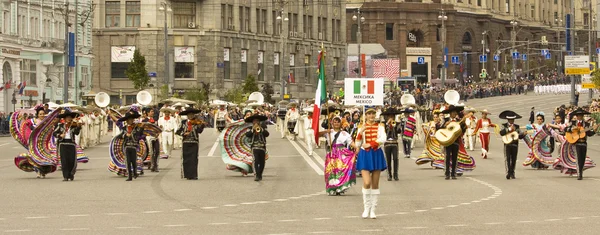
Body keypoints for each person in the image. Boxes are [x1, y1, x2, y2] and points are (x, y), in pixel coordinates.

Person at [355, 106, 386, 219]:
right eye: (369, 114)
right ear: (365, 115)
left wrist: (371, 144)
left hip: (376, 153)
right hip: (365, 155)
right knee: (367, 182)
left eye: (373, 113)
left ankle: (373, 209)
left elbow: (383, 138)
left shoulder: (380, 127)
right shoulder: (361, 127)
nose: (371, 116)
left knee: (375, 184)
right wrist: (360, 133)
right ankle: (366, 208)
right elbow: (357, 143)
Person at [323, 115, 357, 195]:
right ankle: (332, 188)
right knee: (331, 171)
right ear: (332, 123)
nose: (336, 124)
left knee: (341, 170)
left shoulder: (344, 133)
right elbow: (317, 133)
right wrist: (325, 132)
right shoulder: (328, 132)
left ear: (340, 123)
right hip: (331, 154)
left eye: (338, 122)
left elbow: (350, 142)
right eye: (335, 122)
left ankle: (341, 187)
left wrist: (357, 147)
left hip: (341, 153)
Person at [564, 108, 597, 180]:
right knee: (578, 158)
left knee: (583, 158)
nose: (580, 116)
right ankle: (579, 174)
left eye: (581, 115)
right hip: (576, 143)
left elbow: (589, 134)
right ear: (576, 116)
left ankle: (581, 171)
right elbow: (565, 129)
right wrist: (572, 129)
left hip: (584, 143)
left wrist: (594, 130)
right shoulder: (573, 123)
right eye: (578, 115)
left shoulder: (587, 124)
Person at [176, 108, 205, 180]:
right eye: (189, 115)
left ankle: (194, 175)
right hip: (186, 142)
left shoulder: (197, 122)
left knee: (194, 158)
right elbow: (178, 131)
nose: (191, 116)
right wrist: (184, 133)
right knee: (186, 159)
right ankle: (187, 175)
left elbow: (199, 131)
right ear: (187, 115)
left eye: (192, 114)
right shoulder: (183, 122)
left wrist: (202, 125)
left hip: (194, 142)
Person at [53, 109, 82, 181]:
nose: (69, 119)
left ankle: (71, 174)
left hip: (71, 144)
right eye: (67, 117)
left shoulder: (73, 126)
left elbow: (77, 133)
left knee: (72, 160)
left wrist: (78, 126)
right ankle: (65, 176)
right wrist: (60, 135)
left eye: (70, 117)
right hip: (63, 144)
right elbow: (54, 133)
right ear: (64, 118)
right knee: (64, 161)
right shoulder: (60, 125)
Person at [440, 105, 468, 180]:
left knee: (455, 157)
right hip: (448, 141)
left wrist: (464, 124)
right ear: (450, 113)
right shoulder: (445, 120)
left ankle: (453, 173)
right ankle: (447, 173)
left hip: (456, 141)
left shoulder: (458, 121)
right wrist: (444, 125)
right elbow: (439, 129)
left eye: (455, 112)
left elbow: (463, 130)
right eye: (453, 112)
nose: (455, 113)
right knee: (447, 157)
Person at [117, 111, 144, 181]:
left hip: (134, 146)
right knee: (128, 161)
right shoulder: (124, 128)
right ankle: (129, 176)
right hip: (126, 146)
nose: (131, 120)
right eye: (130, 119)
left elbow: (139, 135)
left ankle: (135, 172)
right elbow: (120, 136)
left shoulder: (137, 127)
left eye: (132, 119)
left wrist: (141, 128)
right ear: (127, 120)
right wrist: (125, 135)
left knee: (134, 161)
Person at [498, 110, 526, 180]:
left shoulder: (517, 126)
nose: (511, 121)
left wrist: (524, 134)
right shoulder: (504, 125)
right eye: (510, 120)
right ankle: (508, 172)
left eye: (512, 120)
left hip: (515, 144)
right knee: (507, 158)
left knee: (514, 159)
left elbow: (519, 136)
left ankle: (512, 172)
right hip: (507, 144)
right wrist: (509, 129)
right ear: (507, 119)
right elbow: (501, 133)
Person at [244, 113, 270, 181]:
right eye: (254, 121)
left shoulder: (263, 127)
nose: (256, 122)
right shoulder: (250, 128)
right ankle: (256, 175)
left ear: (259, 122)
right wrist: (253, 130)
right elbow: (247, 135)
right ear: (252, 122)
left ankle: (260, 174)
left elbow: (267, 134)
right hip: (254, 146)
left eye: (257, 121)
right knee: (255, 160)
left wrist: (261, 129)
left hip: (262, 146)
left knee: (262, 162)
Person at [382, 107, 402, 181]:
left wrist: (395, 125)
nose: (391, 117)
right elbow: (383, 132)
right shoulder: (383, 124)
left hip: (394, 143)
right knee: (388, 159)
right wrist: (388, 124)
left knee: (395, 159)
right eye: (389, 116)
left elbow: (399, 131)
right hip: (387, 143)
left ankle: (395, 174)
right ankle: (389, 174)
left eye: (392, 116)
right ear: (387, 117)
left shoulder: (397, 123)